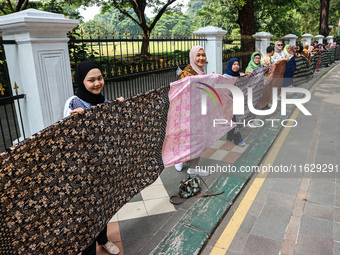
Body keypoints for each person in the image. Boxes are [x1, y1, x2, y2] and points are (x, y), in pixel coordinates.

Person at [64, 61, 122, 255]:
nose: (97, 83)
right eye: (91, 80)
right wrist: (72, 120)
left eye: (100, 78)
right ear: (81, 81)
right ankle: (89, 251)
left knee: (103, 207)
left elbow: (112, 129)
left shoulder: (103, 102)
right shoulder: (74, 103)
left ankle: (103, 239)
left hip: (102, 167)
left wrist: (120, 108)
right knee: (87, 215)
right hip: (83, 173)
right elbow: (65, 137)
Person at [175, 45, 209, 176]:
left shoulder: (202, 72)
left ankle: (190, 164)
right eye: (198, 55)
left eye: (203, 55)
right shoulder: (186, 74)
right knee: (191, 139)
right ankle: (183, 160)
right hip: (188, 115)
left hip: (200, 113)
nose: (201, 58)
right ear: (192, 56)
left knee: (198, 140)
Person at [222, 58, 245, 146]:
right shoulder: (225, 76)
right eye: (234, 64)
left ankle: (230, 136)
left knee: (233, 119)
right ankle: (237, 139)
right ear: (230, 65)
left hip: (236, 101)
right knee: (234, 120)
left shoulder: (238, 75)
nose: (236, 66)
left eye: (237, 64)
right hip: (229, 102)